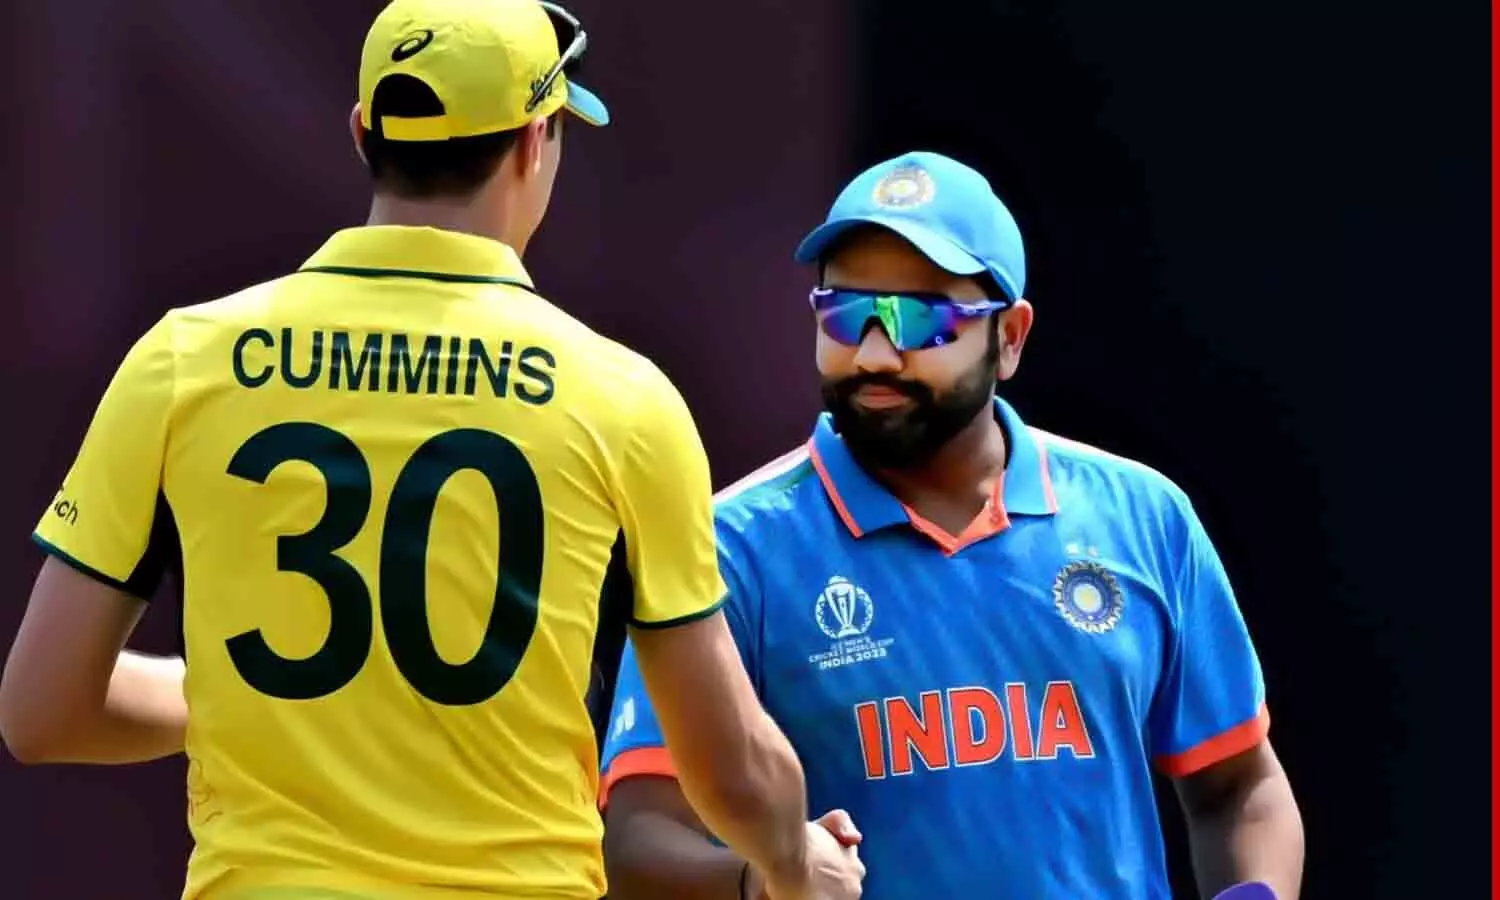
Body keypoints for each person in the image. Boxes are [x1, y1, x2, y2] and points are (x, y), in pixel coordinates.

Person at [0, 3, 865, 900]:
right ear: (533, 142)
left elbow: (42, 711)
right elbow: (732, 771)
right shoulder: (623, 400)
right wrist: (794, 866)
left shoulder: (183, 362)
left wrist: (237, 698)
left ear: (362, 133)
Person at [597, 151, 1306, 900]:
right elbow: (636, 841)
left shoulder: (1143, 516)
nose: (875, 353)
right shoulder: (732, 547)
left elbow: (1239, 787)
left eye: (921, 321)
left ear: (1011, 337)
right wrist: (769, 881)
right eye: (845, 314)